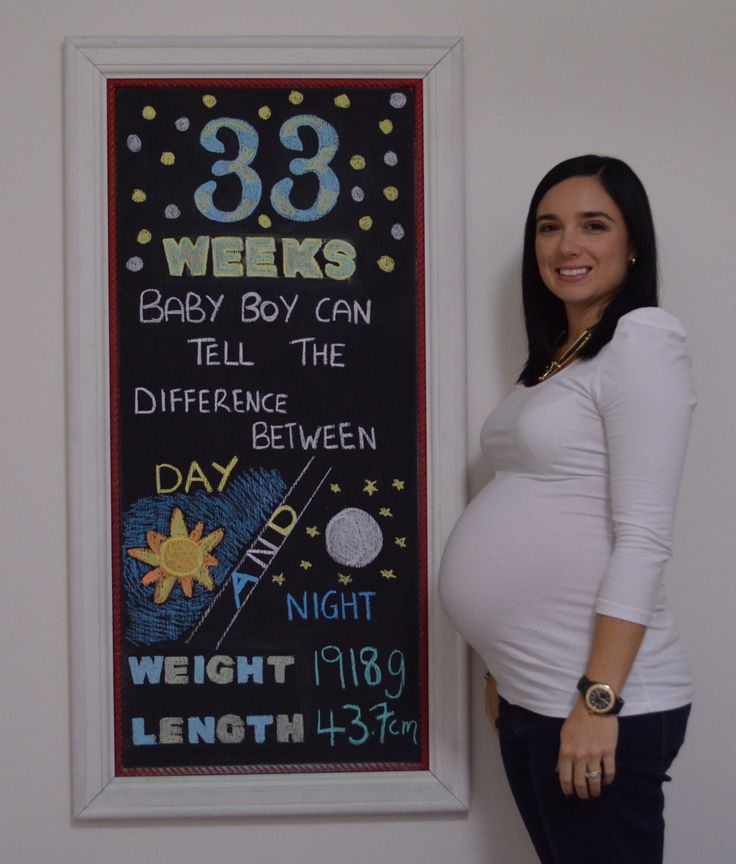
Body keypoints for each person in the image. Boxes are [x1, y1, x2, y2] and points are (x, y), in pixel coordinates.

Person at [439, 155, 695, 864]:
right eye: (549, 228)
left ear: (632, 243)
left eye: (593, 225)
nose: (566, 246)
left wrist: (598, 699)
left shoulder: (643, 340)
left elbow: (642, 538)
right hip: (536, 695)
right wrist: (503, 666)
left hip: (600, 702)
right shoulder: (560, 361)